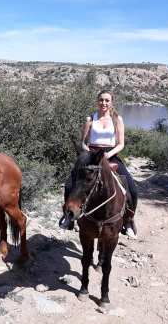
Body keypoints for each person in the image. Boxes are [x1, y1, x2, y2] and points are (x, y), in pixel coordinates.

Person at [65, 90, 138, 238]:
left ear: (111, 102)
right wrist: (89, 154)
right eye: (101, 100)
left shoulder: (117, 119)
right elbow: (83, 142)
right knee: (70, 183)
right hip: (91, 156)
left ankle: (128, 220)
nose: (104, 103)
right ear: (97, 101)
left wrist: (107, 155)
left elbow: (121, 144)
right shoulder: (90, 119)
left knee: (131, 187)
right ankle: (68, 217)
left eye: (107, 100)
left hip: (110, 155)